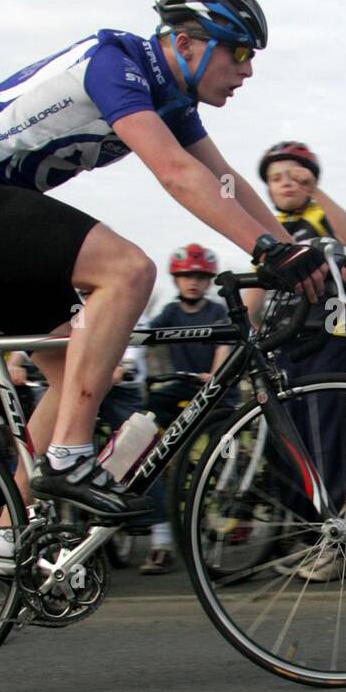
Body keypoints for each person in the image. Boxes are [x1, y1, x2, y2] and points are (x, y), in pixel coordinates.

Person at [0, 0, 326, 556]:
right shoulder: (115, 62)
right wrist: (265, 249)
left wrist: (296, 247)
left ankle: (7, 536)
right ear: (184, 43)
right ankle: (71, 458)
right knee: (128, 270)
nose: (248, 69)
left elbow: (222, 180)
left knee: (81, 374)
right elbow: (178, 174)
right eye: (238, 52)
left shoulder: (171, 98)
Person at [257, 141, 346, 582]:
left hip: (328, 336)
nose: (286, 183)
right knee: (291, 444)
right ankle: (312, 539)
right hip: (284, 342)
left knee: (328, 442)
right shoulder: (268, 230)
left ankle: (342, 546)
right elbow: (253, 295)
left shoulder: (320, 219)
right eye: (276, 176)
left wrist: (317, 194)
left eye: (296, 176)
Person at [138, 243, 236, 574]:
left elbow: (225, 344)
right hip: (179, 386)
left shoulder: (217, 313)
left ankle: (228, 507)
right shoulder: (169, 313)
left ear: (208, 281)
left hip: (212, 388)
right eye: (185, 277)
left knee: (220, 447)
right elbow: (145, 339)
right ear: (176, 280)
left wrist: (217, 374)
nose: (192, 283)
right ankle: (160, 540)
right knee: (142, 442)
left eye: (199, 277)